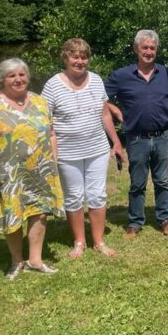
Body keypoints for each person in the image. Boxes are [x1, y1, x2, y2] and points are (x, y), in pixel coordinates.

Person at [0, 58, 65, 280]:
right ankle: (17, 261)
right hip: (8, 175)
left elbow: (51, 134)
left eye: (22, 74)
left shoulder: (40, 102)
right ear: (1, 79)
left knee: (39, 212)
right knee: (13, 216)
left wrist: (53, 162)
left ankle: (35, 260)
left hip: (40, 172)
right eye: (11, 75)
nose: (18, 79)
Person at [42, 39, 124, 258]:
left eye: (84, 57)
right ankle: (79, 241)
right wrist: (50, 152)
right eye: (75, 56)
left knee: (97, 195)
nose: (80, 61)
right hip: (67, 153)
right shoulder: (52, 85)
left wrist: (116, 142)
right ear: (65, 58)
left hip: (97, 149)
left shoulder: (96, 80)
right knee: (74, 197)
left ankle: (98, 241)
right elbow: (45, 121)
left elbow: (105, 113)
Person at [104, 30, 168, 238]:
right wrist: (115, 110)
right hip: (137, 138)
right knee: (137, 183)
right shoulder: (122, 76)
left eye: (152, 48)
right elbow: (98, 96)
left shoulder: (166, 74)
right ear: (136, 49)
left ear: (156, 50)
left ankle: (165, 220)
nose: (148, 52)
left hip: (162, 136)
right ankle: (135, 223)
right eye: (145, 47)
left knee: (162, 181)